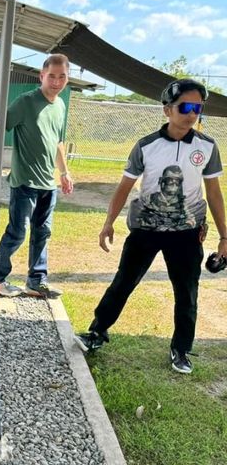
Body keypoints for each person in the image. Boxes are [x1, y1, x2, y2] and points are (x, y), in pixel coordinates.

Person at [74, 78, 227, 374]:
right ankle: (96, 333)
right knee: (123, 283)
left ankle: (181, 350)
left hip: (187, 234)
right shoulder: (146, 146)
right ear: (167, 110)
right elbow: (124, 185)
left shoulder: (207, 147)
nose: (193, 113)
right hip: (146, 230)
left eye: (198, 107)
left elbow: (214, 192)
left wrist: (224, 235)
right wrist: (108, 222)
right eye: (186, 106)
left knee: (187, 293)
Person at [0, 53, 74, 299]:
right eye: (52, 76)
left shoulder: (60, 105)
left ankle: (37, 281)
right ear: (42, 76)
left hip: (49, 183)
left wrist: (65, 172)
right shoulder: (26, 102)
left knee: (42, 232)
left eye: (62, 77)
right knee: (18, 232)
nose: (56, 81)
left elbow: (57, 142)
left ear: (67, 79)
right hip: (25, 182)